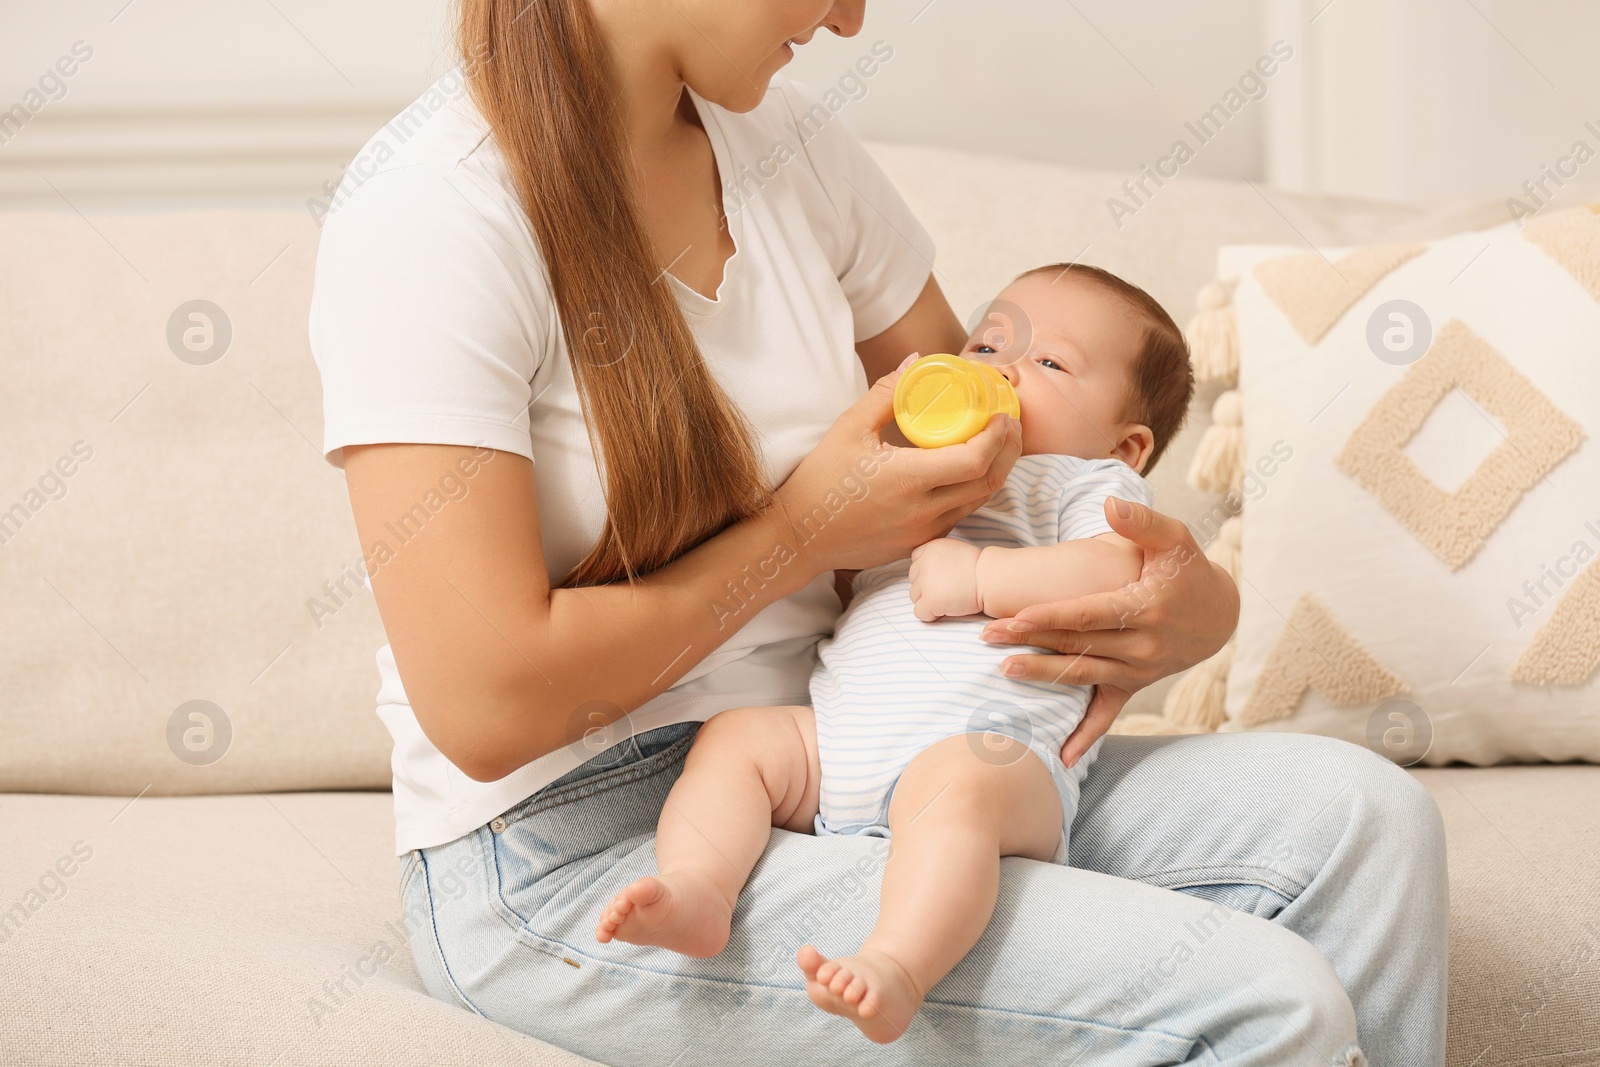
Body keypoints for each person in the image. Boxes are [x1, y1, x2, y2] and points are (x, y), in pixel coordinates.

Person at [308, 1, 1448, 1064]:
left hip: (862, 744)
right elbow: (486, 705)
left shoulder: (789, 148)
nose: (853, 15)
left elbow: (1000, 463)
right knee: (1265, 998)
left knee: (1367, 822)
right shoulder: (434, 212)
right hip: (566, 845)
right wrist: (799, 537)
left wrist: (1186, 607)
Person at [594, 263, 1191, 1044]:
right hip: (839, 748)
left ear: (1127, 443)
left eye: (1050, 365)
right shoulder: (927, 475)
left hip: (990, 755)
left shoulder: (1083, 483)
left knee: (954, 790)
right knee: (739, 738)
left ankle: (899, 963)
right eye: (985, 345)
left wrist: (981, 574)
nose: (1003, 370)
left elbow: (1118, 572)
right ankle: (700, 888)